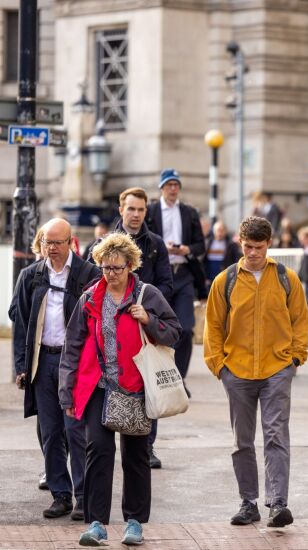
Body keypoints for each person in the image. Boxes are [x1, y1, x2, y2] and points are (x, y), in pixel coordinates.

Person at [59, 233, 181, 547]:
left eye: (117, 268)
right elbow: (72, 347)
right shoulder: (90, 298)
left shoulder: (147, 294)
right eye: (105, 268)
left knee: (136, 456)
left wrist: (150, 320)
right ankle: (96, 523)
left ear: (130, 266)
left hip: (136, 386)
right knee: (98, 451)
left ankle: (135, 523)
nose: (111, 274)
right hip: (99, 386)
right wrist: (67, 392)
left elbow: (175, 333)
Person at [204, 216, 308, 528]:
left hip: (277, 368)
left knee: (276, 435)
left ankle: (277, 503)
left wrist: (295, 360)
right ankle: (248, 503)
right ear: (240, 242)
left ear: (269, 245)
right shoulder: (226, 281)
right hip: (236, 370)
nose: (252, 253)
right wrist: (219, 366)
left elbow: (300, 321)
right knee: (242, 441)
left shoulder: (287, 279)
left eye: (258, 247)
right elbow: (213, 326)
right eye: (248, 246)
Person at [9, 218, 101, 521]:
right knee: (49, 432)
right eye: (48, 242)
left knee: (76, 431)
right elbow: (20, 320)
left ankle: (83, 497)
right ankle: (60, 495)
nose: (52, 248)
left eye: (58, 243)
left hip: (74, 362)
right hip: (43, 361)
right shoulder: (31, 275)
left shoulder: (88, 274)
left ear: (71, 242)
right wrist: (21, 366)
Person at [87, 187, 174, 469]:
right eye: (131, 209)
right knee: (109, 380)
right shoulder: (102, 244)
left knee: (149, 379)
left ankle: (146, 444)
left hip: (143, 323)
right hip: (111, 326)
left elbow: (167, 285)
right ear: (121, 209)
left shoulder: (156, 244)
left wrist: (146, 306)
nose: (136, 215)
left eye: (141, 210)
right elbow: (91, 285)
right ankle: (104, 444)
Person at [146, 169, 206, 388]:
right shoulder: (151, 211)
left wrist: (186, 249)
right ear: (161, 187)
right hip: (160, 275)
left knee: (185, 327)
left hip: (183, 275)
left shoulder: (189, 212)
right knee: (157, 326)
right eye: (169, 185)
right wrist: (162, 247)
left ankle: (179, 378)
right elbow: (143, 241)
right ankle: (159, 375)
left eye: (176, 185)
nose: (173, 189)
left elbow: (201, 245)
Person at [204, 221, 242, 285]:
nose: (220, 233)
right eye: (218, 230)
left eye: (222, 230)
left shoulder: (231, 245)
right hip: (210, 277)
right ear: (214, 231)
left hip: (225, 277)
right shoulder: (207, 243)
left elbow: (236, 260)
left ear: (225, 231)